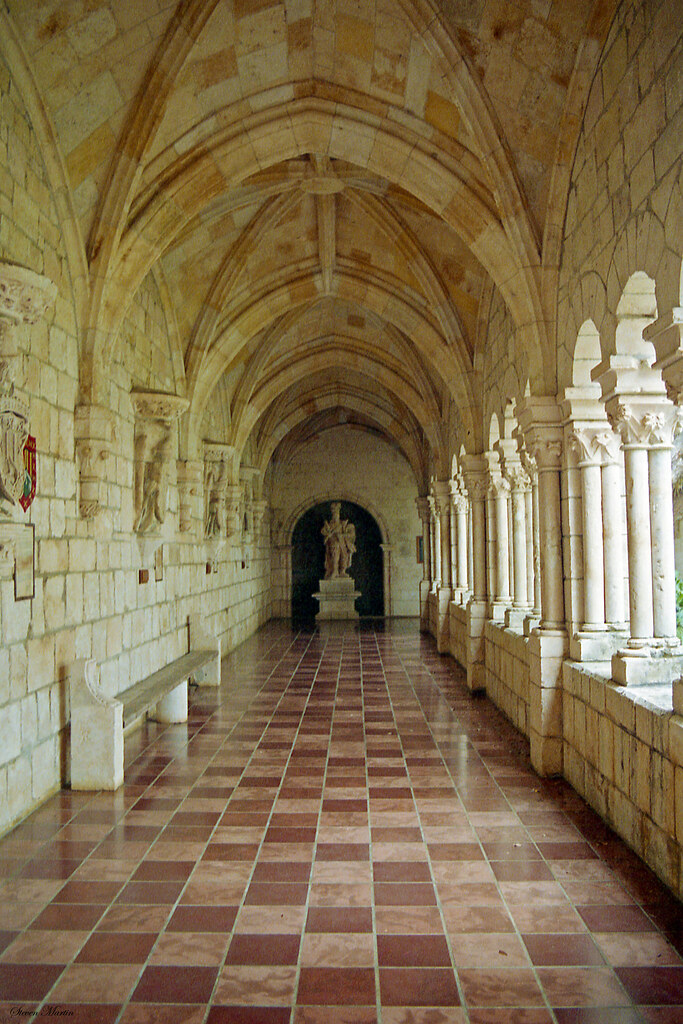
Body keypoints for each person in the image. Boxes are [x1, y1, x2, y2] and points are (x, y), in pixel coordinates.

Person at [322, 502, 356, 578]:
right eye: (334, 513)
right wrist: (328, 534)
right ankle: (335, 571)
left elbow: (350, 534)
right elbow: (324, 531)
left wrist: (343, 535)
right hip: (334, 543)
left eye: (336, 513)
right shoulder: (329, 525)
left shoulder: (343, 524)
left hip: (343, 543)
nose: (335, 515)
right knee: (335, 556)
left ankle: (342, 571)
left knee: (344, 556)